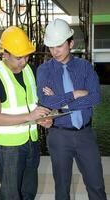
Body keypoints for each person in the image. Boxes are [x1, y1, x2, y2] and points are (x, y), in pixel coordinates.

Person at [36, 18, 107, 200]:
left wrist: (60, 102)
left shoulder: (84, 67)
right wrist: (74, 94)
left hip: (86, 135)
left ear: (71, 43)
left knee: (97, 186)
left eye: (59, 46)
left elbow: (95, 97)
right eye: (51, 47)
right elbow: (45, 100)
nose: (54, 51)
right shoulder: (44, 70)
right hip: (59, 136)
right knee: (62, 189)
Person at [0, 26, 52, 200]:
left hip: (32, 143)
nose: (24, 61)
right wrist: (30, 117)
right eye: (19, 57)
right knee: (10, 194)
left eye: (27, 56)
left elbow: (34, 105)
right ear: (5, 54)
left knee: (29, 192)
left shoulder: (31, 71)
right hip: (9, 148)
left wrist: (45, 118)